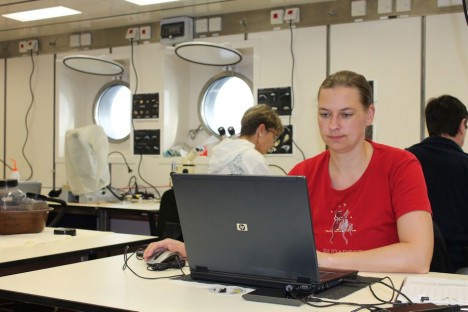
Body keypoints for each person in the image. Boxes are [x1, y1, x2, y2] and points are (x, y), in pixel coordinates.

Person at [145, 71, 434, 274]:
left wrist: (323, 261)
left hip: (377, 291)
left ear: (369, 115)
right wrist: (192, 249)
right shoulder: (302, 174)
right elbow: (261, 243)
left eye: (346, 115)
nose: (333, 125)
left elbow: (418, 257)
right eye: (324, 114)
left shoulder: (400, 166)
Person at [407, 95, 468, 273]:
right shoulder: (465, 165)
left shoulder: (404, 162)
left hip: (410, 264)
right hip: (459, 267)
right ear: (462, 125)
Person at [208, 104, 284, 174]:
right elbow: (270, 188)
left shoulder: (220, 151)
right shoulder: (252, 157)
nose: (272, 144)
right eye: (274, 137)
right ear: (261, 130)